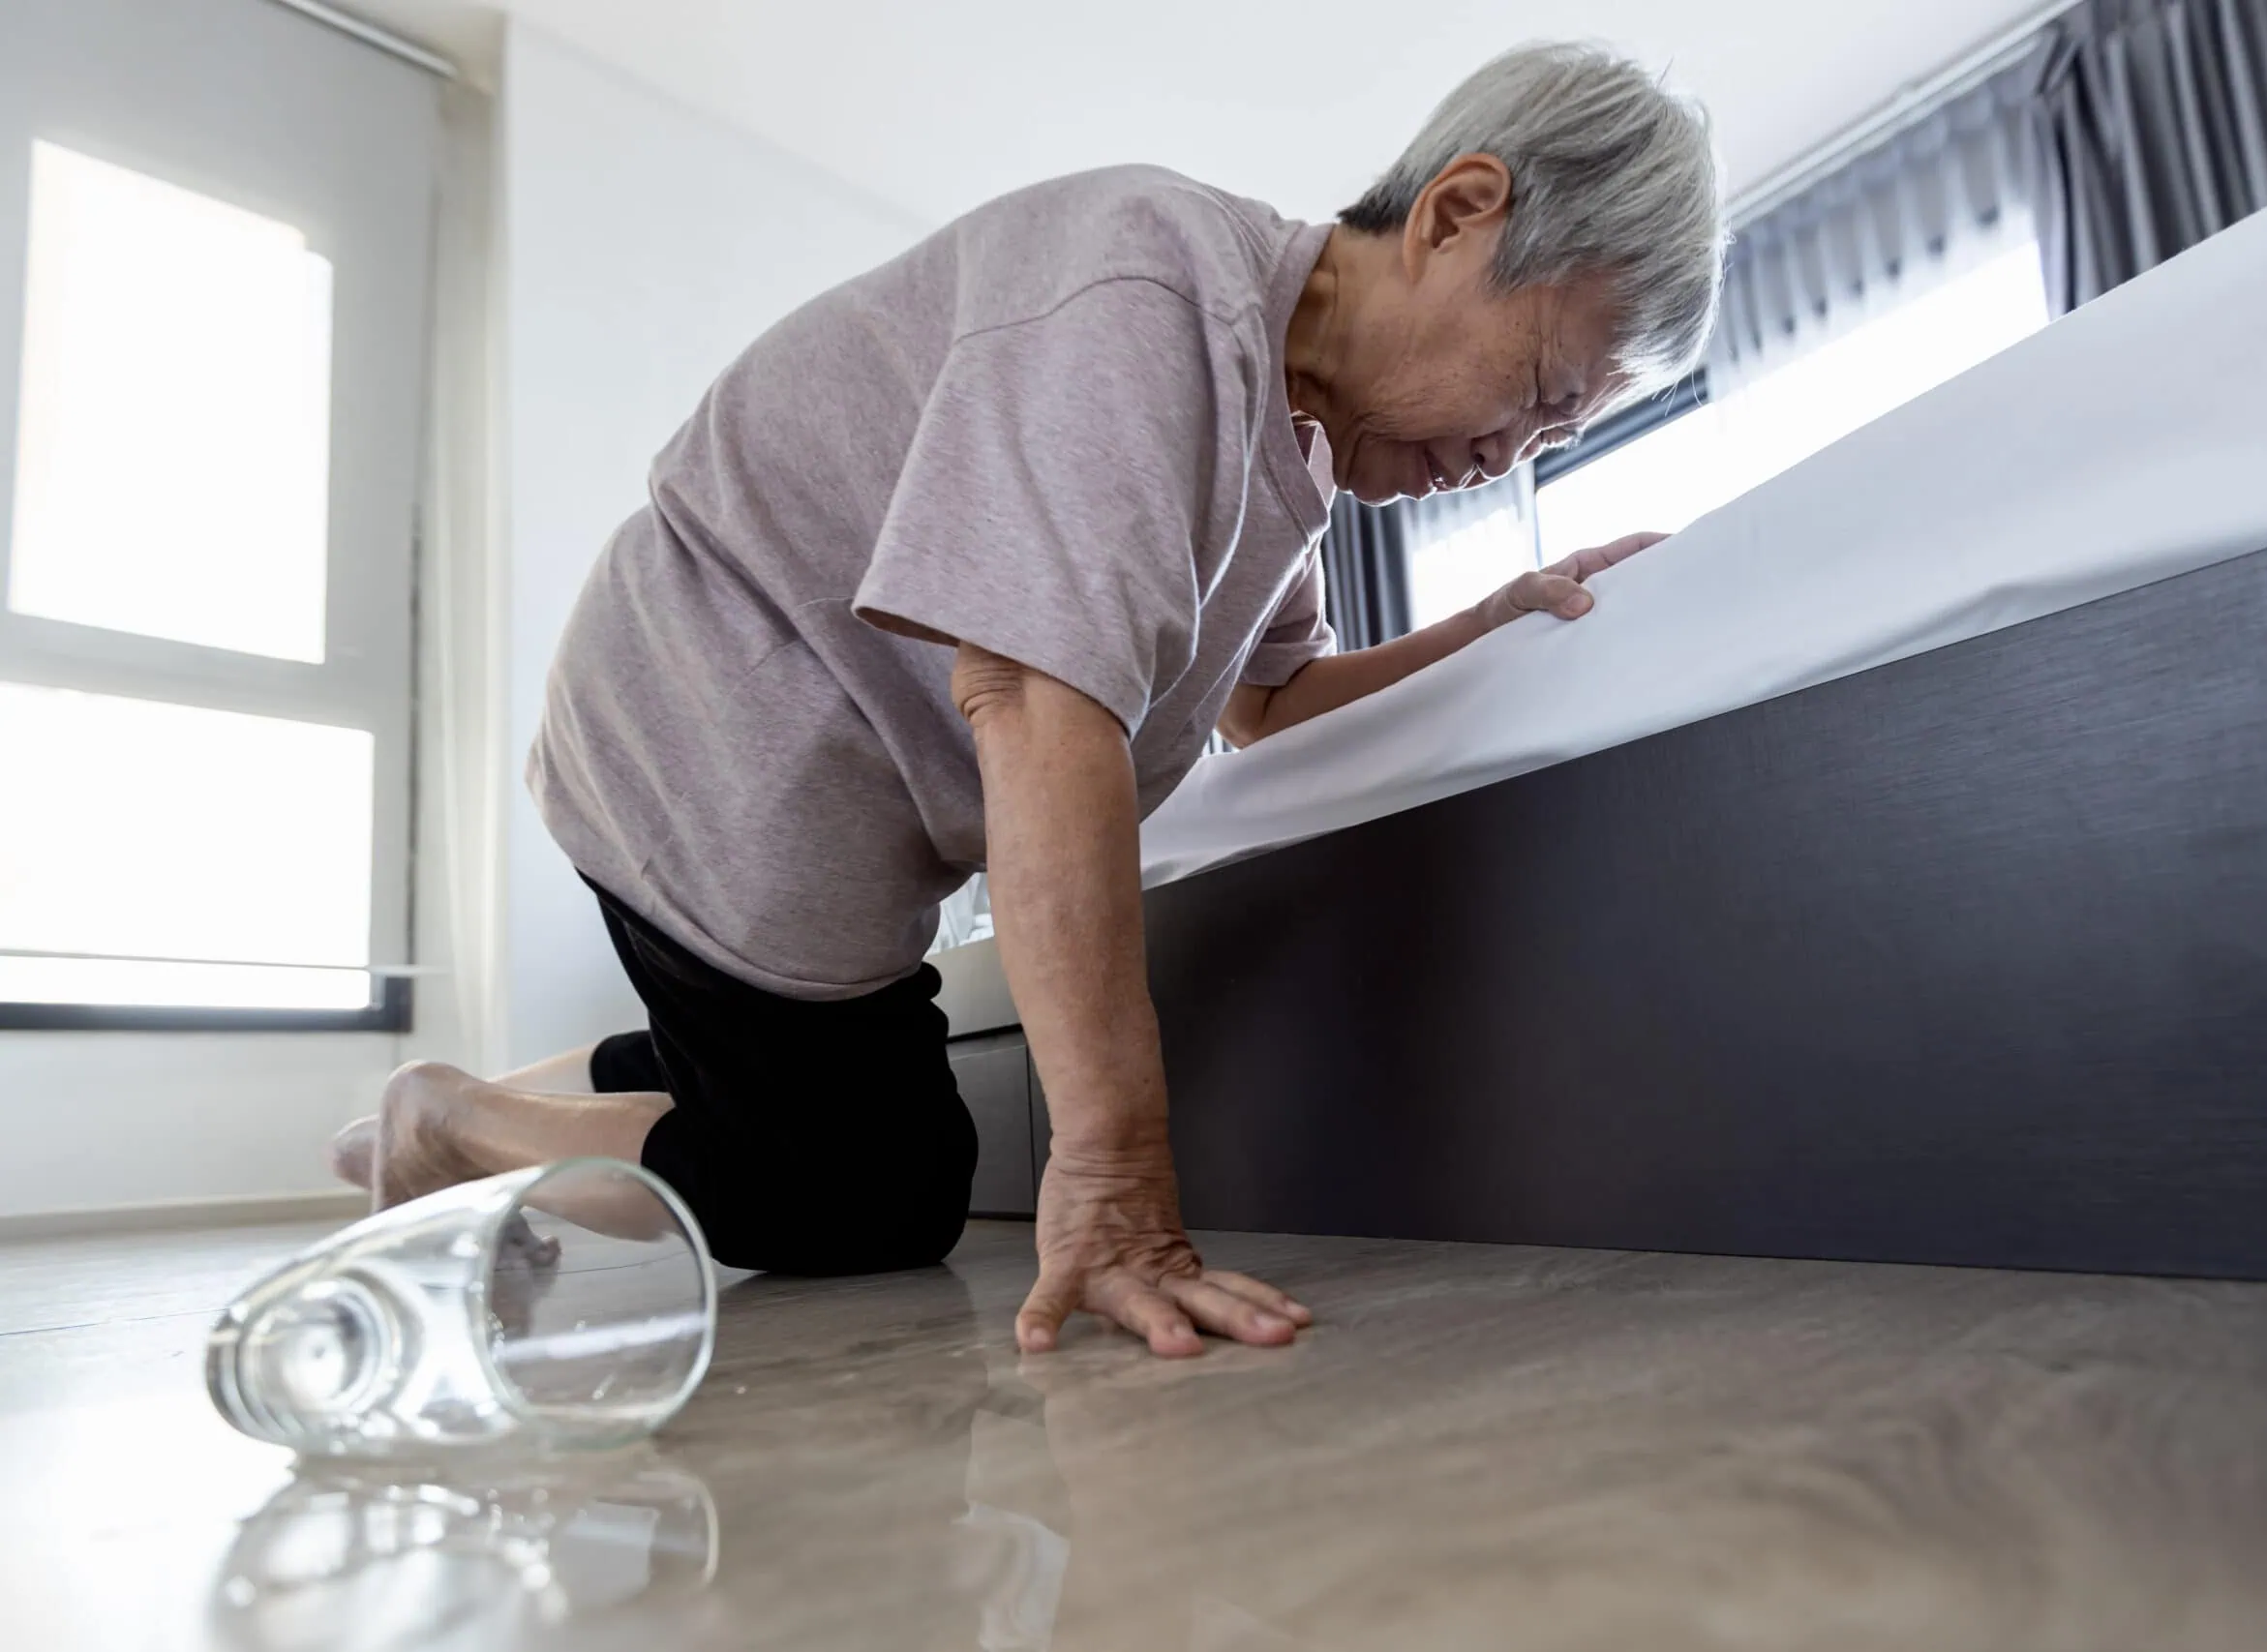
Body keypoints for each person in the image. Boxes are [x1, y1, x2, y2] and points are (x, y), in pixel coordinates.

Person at [330, 42, 1724, 1359]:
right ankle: (450, 1125)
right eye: (1537, 390)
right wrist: (1114, 1175)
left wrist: (1493, 624)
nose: (1509, 457)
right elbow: (1034, 697)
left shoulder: (1287, 460)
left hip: (826, 795)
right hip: (717, 731)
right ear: (1461, 213)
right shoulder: (1146, 289)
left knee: (822, 1109)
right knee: (860, 1193)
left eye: (1556, 438)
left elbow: (1274, 702)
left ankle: (502, 1106)